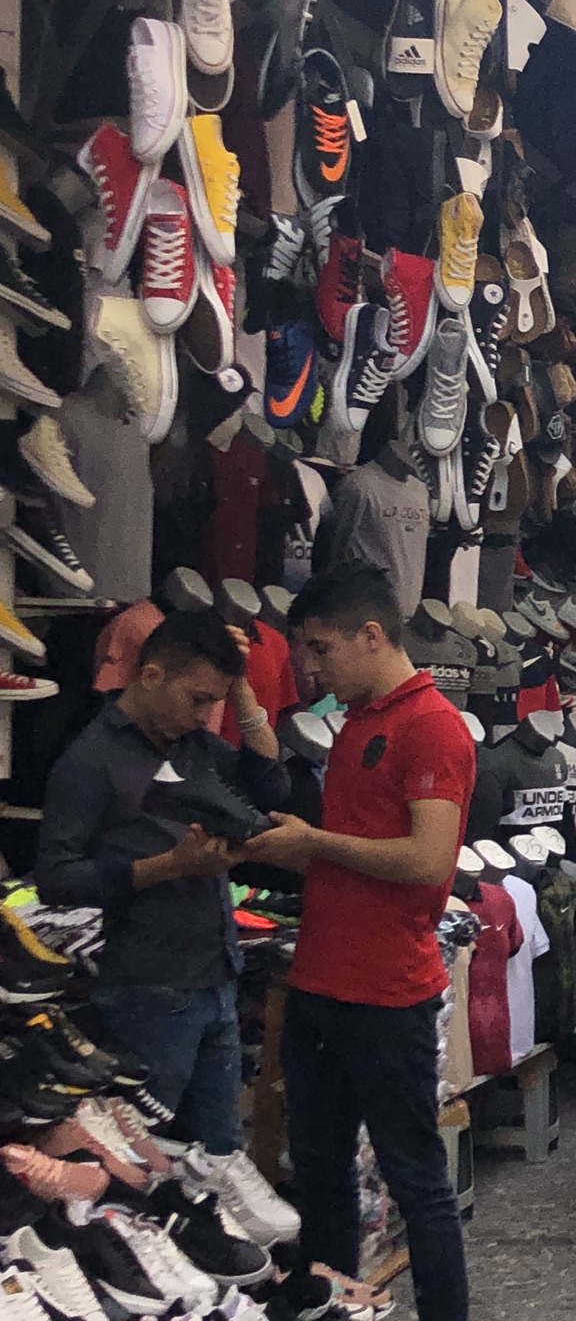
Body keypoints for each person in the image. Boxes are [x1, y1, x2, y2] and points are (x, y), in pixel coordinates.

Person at [243, 563, 475, 1321]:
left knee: (417, 1182)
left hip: (386, 996)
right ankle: (333, 1308)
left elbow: (427, 860)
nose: (309, 668)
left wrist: (317, 841)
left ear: (371, 636)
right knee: (319, 1174)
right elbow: (359, 843)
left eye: (319, 648)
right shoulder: (363, 721)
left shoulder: (431, 725)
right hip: (321, 984)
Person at [39, 612, 286, 1153]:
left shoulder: (189, 744)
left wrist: (240, 687)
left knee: (219, 1155)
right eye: (198, 699)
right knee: (145, 1156)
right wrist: (169, 868)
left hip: (217, 974)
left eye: (213, 701)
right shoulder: (90, 759)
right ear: (150, 676)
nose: (204, 716)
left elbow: (270, 783)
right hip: (145, 986)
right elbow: (55, 880)